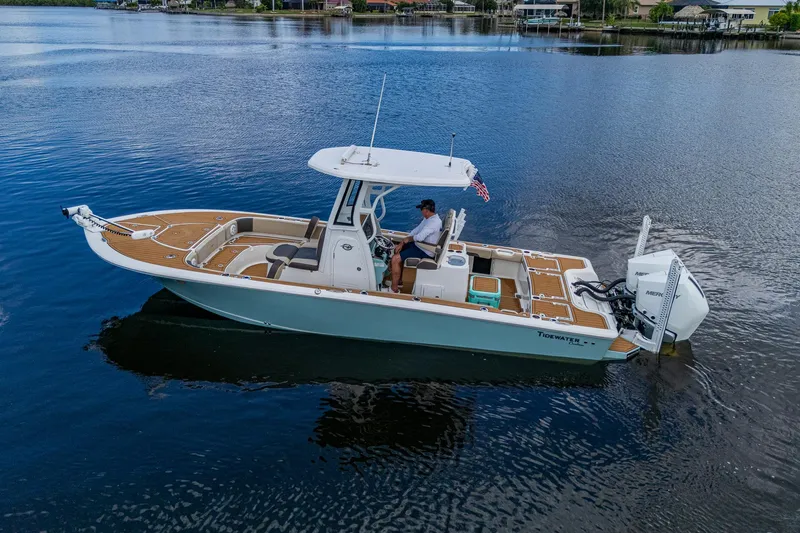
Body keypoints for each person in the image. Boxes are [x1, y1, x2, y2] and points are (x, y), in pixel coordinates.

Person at [389, 199, 442, 293]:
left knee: (395, 259)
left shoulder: (433, 223)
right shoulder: (428, 219)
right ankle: (399, 280)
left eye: (421, 209)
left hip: (425, 250)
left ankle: (394, 289)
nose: (421, 211)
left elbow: (420, 237)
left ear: (426, 210)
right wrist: (402, 242)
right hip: (420, 246)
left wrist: (407, 240)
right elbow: (416, 230)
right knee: (398, 249)